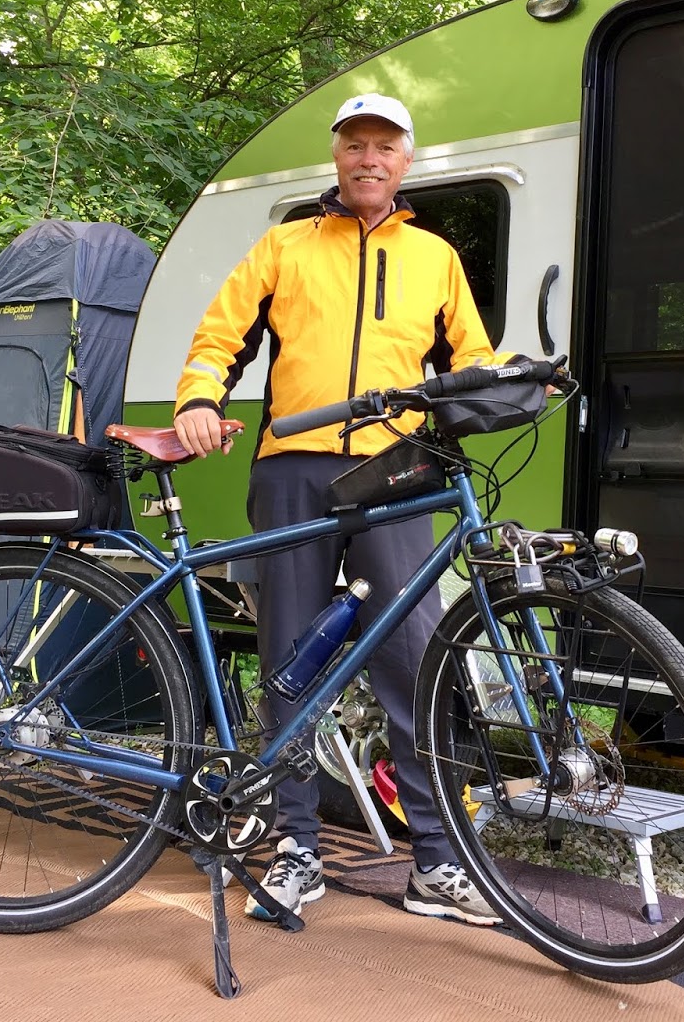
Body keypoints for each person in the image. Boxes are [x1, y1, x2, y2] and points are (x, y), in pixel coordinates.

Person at [173, 92, 502, 927]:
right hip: (294, 468)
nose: (369, 159)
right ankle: (296, 851)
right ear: (337, 159)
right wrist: (200, 397)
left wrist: (498, 394)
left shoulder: (436, 256)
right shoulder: (284, 245)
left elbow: (473, 358)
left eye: (384, 147)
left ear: (405, 162)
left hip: (398, 472)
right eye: (355, 145)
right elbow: (222, 336)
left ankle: (434, 862)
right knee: (291, 658)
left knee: (413, 659)